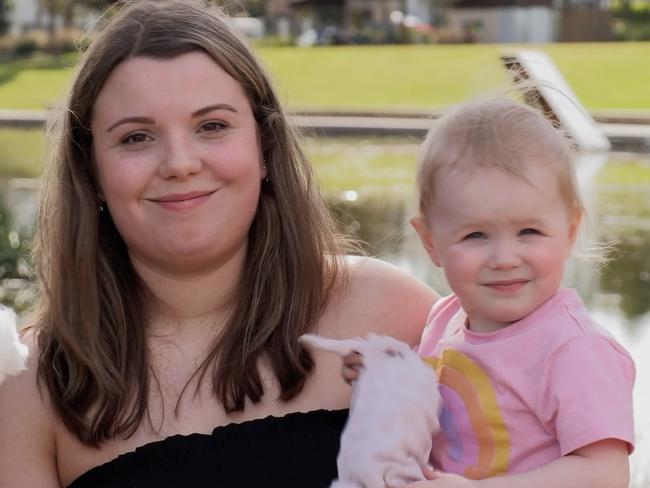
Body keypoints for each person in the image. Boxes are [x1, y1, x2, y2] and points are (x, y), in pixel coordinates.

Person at [0, 1, 436, 487]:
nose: (180, 163)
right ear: (92, 173)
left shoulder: (393, 316)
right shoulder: (33, 387)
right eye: (137, 137)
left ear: (265, 148)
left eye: (212, 126)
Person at [347, 96, 635, 487]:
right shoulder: (443, 320)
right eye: (476, 235)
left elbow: (606, 474)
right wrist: (387, 379)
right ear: (431, 242)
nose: (504, 257)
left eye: (529, 232)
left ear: (570, 231)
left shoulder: (572, 348)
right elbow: (431, 412)